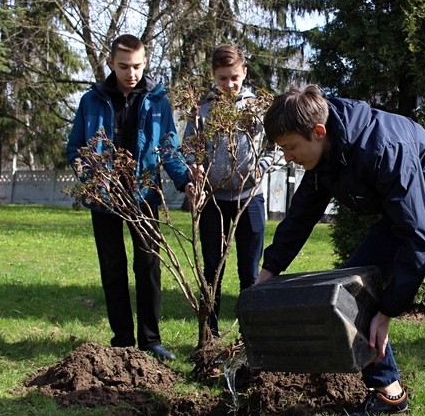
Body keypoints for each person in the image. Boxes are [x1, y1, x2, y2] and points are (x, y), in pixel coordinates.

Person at [256, 85, 425, 416]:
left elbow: (420, 239)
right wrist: (265, 276)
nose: (287, 157)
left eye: (291, 147)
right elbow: (300, 217)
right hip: (406, 215)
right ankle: (389, 392)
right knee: (351, 294)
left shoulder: (381, 148)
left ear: (319, 132)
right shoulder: (323, 154)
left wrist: (389, 311)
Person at [67, 34, 194, 362]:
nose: (131, 73)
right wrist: (87, 175)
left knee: (148, 266)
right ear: (111, 63)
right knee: (112, 267)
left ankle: (151, 341)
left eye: (137, 66)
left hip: (144, 194)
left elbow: (169, 147)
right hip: (105, 197)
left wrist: (186, 181)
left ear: (145, 62)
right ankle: (122, 340)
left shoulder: (157, 101)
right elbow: (75, 147)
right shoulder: (90, 100)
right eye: (124, 66)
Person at [183, 44, 275, 337]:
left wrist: (261, 167)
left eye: (234, 77)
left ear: (244, 72)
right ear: (214, 75)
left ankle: (251, 335)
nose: (229, 84)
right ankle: (208, 335)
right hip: (213, 199)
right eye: (223, 78)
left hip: (250, 199)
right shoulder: (202, 109)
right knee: (212, 270)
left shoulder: (258, 108)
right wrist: (194, 165)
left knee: (250, 271)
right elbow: (190, 147)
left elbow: (275, 146)